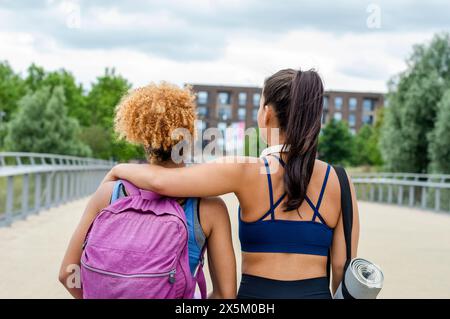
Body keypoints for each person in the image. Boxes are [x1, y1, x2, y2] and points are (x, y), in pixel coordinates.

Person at [102, 69, 360, 299]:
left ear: (266, 114)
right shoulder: (339, 180)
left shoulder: (244, 170)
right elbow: (341, 268)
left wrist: (119, 168)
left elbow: (161, 182)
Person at [59, 82, 237, 299]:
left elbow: (67, 272)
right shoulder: (209, 208)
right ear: (189, 136)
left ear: (141, 135)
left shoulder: (109, 194)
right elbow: (225, 296)